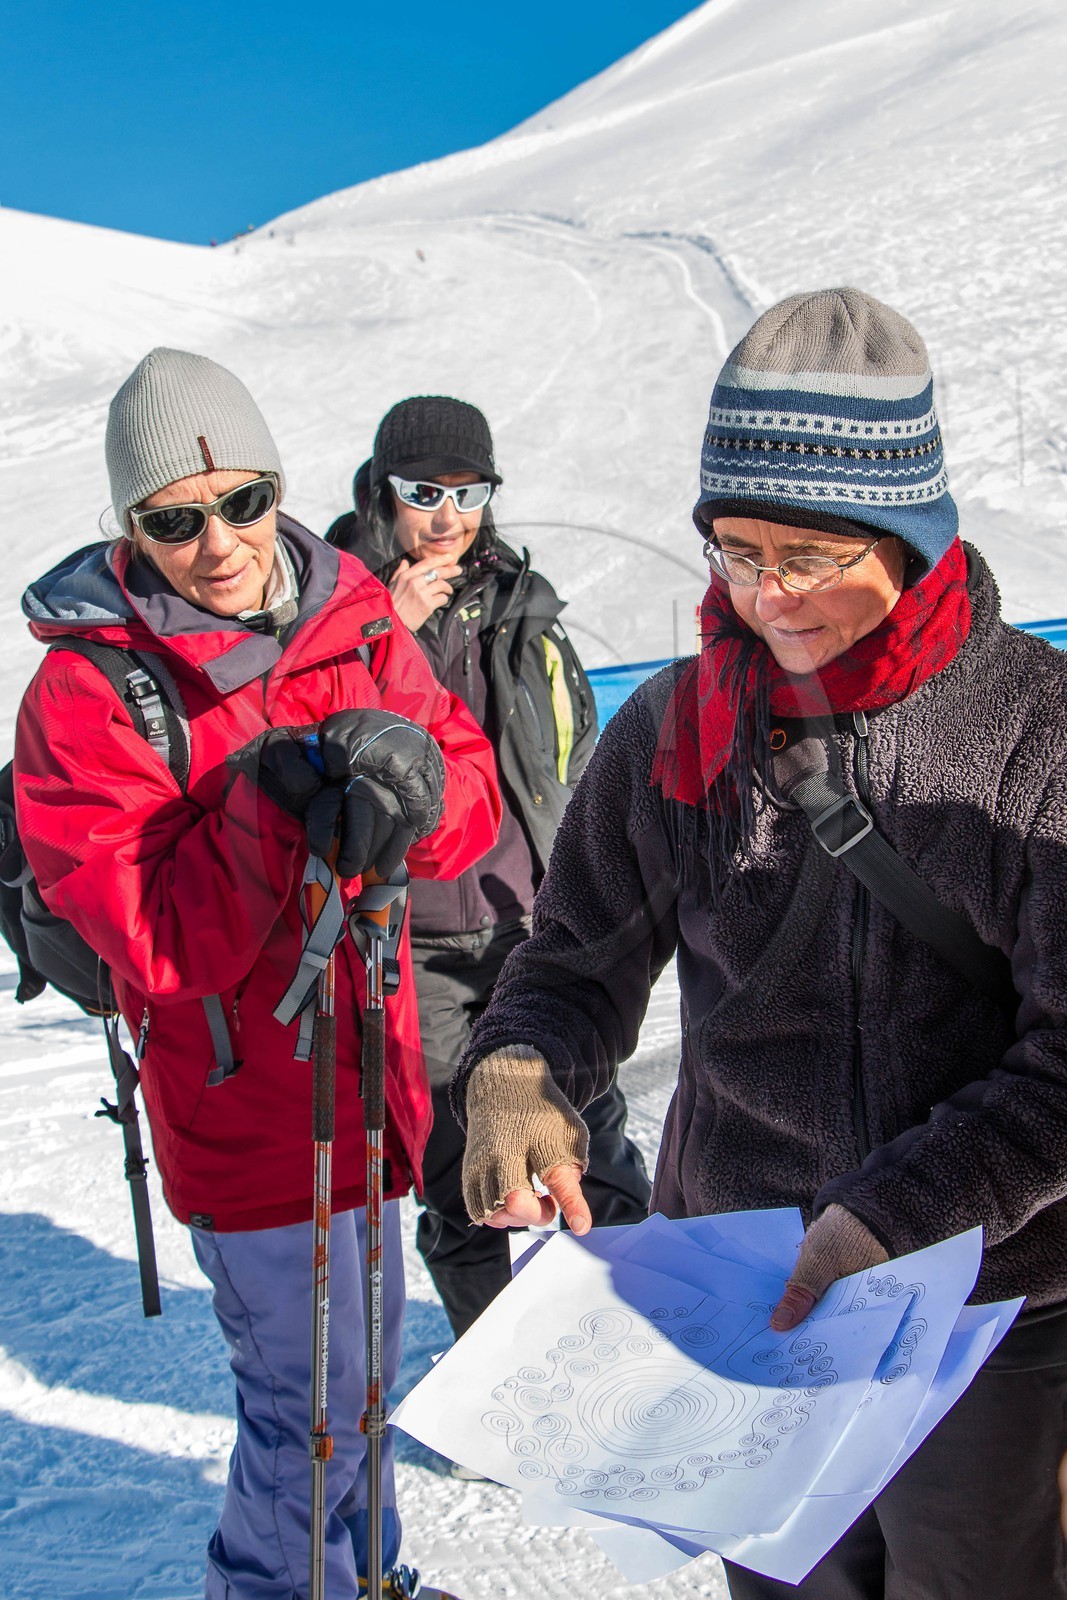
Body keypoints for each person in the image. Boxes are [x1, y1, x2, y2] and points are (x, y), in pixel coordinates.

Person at [452, 289, 1067, 1598]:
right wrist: (520, 1069)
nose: (764, 597)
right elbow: (569, 959)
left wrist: (893, 1214)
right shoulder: (678, 725)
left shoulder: (1032, 729)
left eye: (805, 554)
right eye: (734, 551)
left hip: (984, 1312)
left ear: (901, 531)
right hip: (745, 1298)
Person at [14, 349, 501, 1600]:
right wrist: (260, 803)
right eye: (174, 521)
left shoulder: (355, 613)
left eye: (242, 501)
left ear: (278, 487)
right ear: (129, 526)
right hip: (241, 1105)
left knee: (370, 1385)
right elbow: (157, 939)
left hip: (370, 1076)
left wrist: (411, 777)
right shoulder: (87, 691)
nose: (218, 543)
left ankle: (369, 1577)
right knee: (311, 1407)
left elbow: (466, 813)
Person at [326, 396, 651, 1349]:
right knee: (463, 1172)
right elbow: (309, 746)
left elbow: (573, 755)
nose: (447, 517)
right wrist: (379, 630)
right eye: (423, 492)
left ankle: (640, 1349)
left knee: (588, 1132)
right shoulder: (330, 608)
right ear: (379, 491)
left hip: (526, 922)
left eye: (469, 493)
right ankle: (501, 1392)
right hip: (406, 938)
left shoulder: (521, 604)